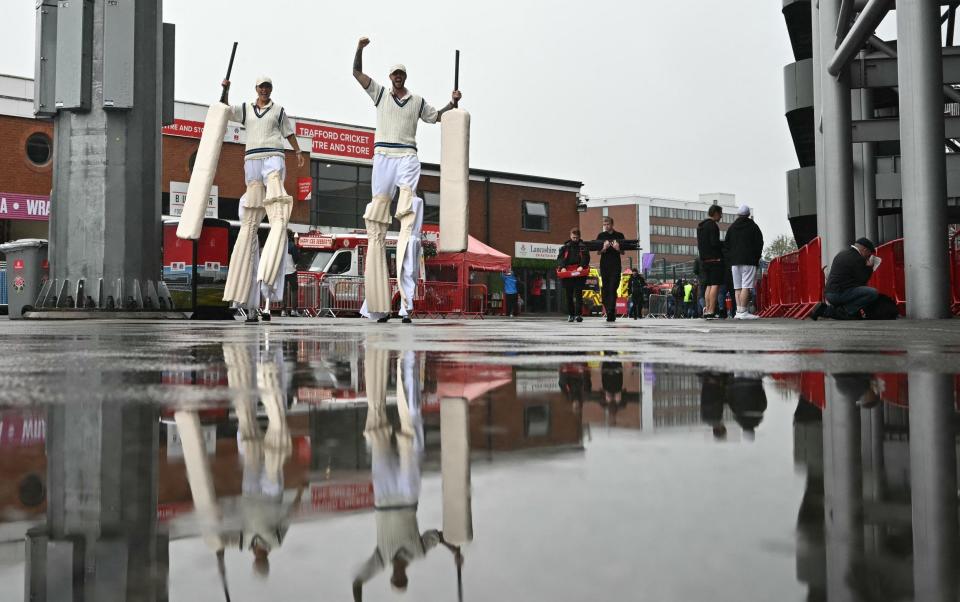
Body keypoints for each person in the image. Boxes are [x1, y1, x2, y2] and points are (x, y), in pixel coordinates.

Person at [352, 37, 461, 323]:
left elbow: (437, 117)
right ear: (390, 78)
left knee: (408, 215)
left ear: (405, 77)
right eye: (394, 74)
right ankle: (374, 303)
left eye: (401, 74)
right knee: (376, 217)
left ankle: (406, 302)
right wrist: (360, 49)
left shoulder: (417, 101)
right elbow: (356, 73)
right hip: (383, 156)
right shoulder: (380, 94)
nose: (397, 78)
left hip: (407, 155)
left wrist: (452, 103)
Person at [221, 76, 305, 320]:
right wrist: (225, 91)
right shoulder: (246, 109)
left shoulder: (278, 111)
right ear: (256, 89)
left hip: (272, 155)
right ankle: (248, 302)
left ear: (271, 89)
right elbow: (226, 111)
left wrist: (298, 150)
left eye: (268, 87)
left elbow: (288, 132)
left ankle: (268, 284)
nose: (265, 90)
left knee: (277, 201)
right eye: (261, 87)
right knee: (249, 224)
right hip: (252, 159)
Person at [810, 237, 880, 320]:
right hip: (838, 294)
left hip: (830, 293)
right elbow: (862, 280)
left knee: (859, 293)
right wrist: (870, 268)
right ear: (865, 250)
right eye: (869, 254)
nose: (868, 257)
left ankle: (839, 310)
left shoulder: (841, 254)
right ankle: (833, 311)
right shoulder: (858, 259)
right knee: (872, 292)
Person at [723, 204, 764, 320]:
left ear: (738, 214)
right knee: (746, 286)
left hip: (734, 262)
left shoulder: (732, 227)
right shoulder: (753, 226)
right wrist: (756, 256)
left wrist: (730, 259)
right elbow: (760, 242)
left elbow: (726, 245)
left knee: (737, 287)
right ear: (748, 214)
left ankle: (738, 312)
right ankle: (743, 311)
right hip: (749, 260)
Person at [557, 228, 591, 322]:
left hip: (579, 273)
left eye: (576, 237)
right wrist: (562, 267)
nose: (575, 239)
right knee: (569, 295)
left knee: (578, 294)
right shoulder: (565, 247)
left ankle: (578, 315)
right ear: (570, 236)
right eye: (573, 237)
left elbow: (586, 257)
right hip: (568, 272)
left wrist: (581, 266)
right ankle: (571, 314)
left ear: (579, 237)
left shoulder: (583, 247)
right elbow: (560, 258)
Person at [696, 204, 724, 319]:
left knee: (708, 286)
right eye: (721, 214)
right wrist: (723, 245)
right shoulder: (713, 226)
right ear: (716, 213)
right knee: (715, 285)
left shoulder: (700, 226)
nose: (721, 216)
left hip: (704, 260)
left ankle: (707, 310)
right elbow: (714, 243)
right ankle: (712, 310)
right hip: (714, 260)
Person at [596, 216, 625, 322]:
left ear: (612, 224)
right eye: (604, 224)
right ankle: (609, 310)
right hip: (604, 266)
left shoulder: (619, 235)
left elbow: (623, 252)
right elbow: (598, 252)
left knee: (613, 288)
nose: (606, 226)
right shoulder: (601, 236)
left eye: (608, 224)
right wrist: (604, 248)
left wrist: (618, 248)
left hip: (616, 265)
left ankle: (611, 310)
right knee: (606, 289)